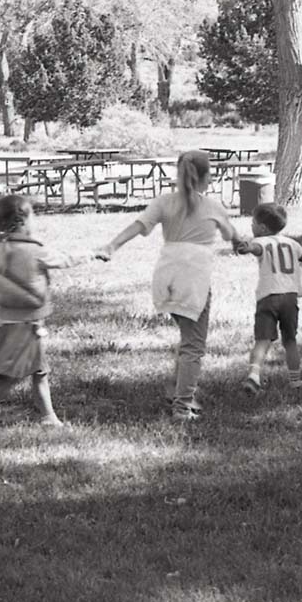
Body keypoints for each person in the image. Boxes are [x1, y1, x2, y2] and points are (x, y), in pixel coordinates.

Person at [97, 150, 241, 420]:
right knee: (194, 346)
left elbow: (139, 226)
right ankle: (182, 406)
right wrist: (242, 244)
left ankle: (177, 388)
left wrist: (111, 246)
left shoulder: (163, 202)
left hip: (166, 276)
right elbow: (233, 236)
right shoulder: (214, 207)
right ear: (206, 177)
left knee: (187, 338)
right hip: (193, 279)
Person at [0, 194, 95, 430]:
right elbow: (65, 260)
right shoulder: (35, 251)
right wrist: (92, 254)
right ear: (24, 220)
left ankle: (49, 417)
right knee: (14, 375)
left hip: (7, 322)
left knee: (39, 371)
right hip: (26, 324)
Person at [232, 202, 302, 394]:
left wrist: (247, 248)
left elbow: (255, 248)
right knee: (290, 340)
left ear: (262, 228)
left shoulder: (261, 241)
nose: (251, 227)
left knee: (262, 339)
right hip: (290, 298)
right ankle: (295, 381)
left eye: (253, 223)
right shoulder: (293, 243)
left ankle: (253, 376)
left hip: (268, 296)